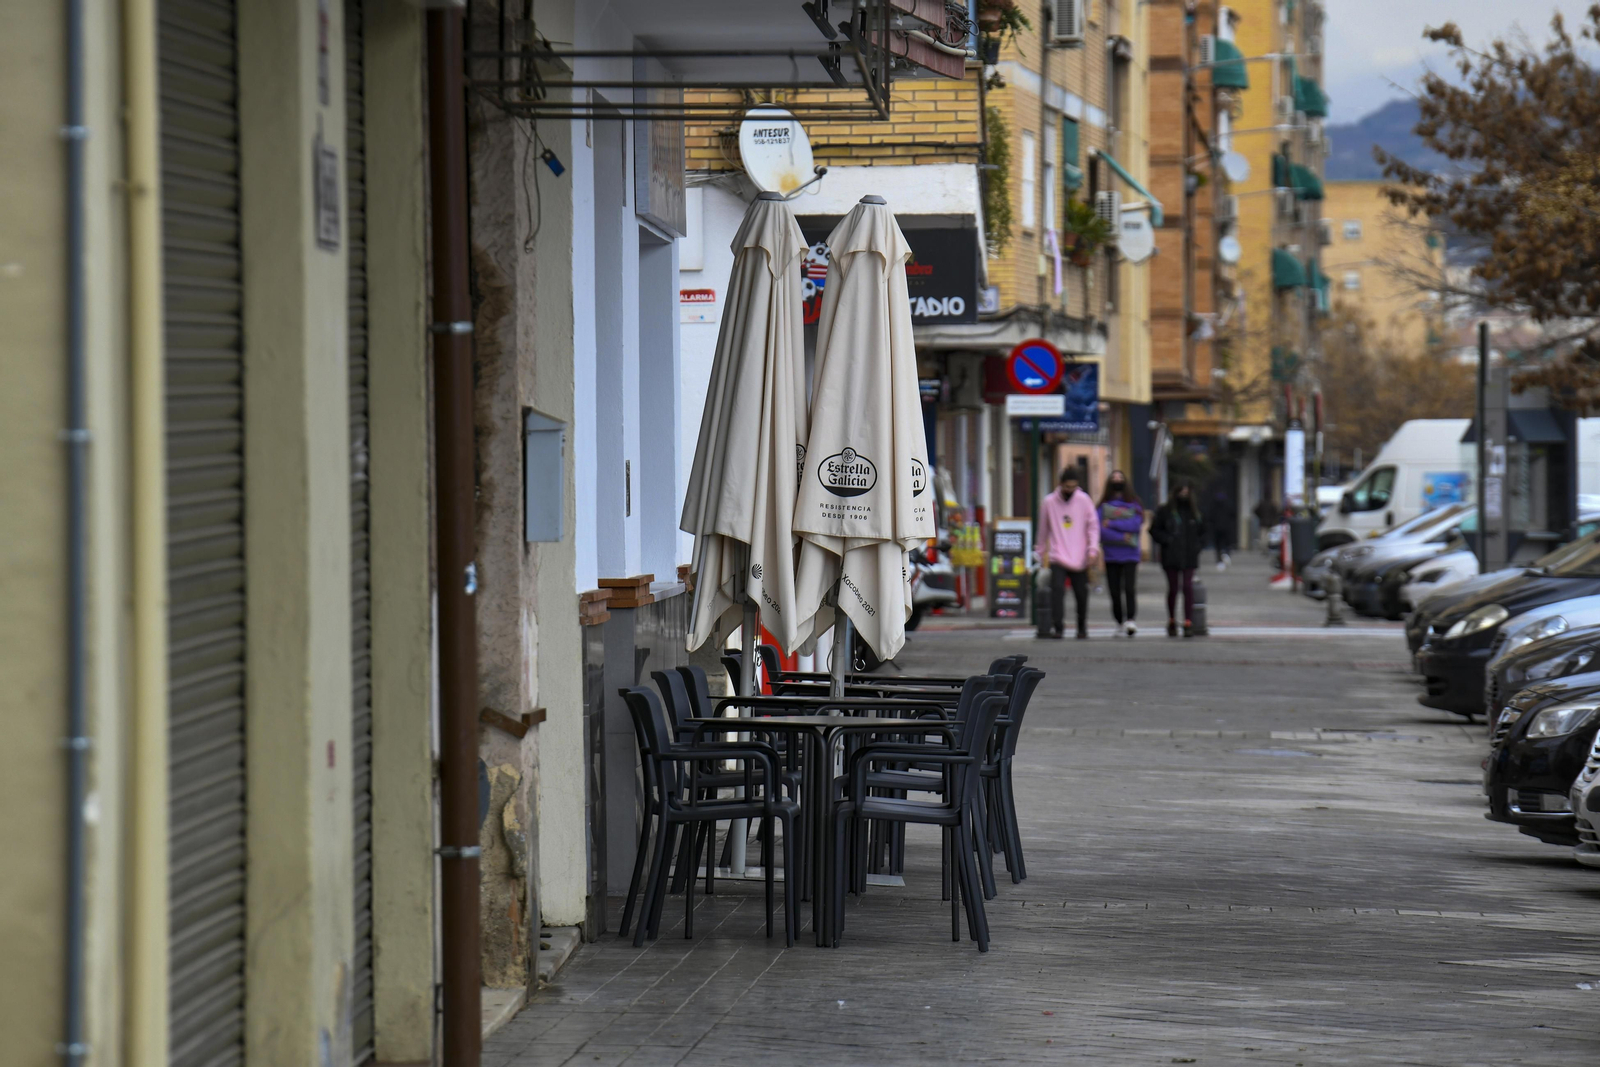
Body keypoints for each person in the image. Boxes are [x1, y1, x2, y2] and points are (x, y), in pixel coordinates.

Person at [1036, 468, 1100, 639]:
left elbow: (1093, 527)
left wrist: (1092, 549)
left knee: (1081, 593)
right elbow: (1043, 530)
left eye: (1073, 487)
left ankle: (1081, 626)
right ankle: (1058, 627)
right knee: (1057, 591)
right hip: (1058, 554)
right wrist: (1040, 553)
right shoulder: (1049, 502)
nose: (1070, 490)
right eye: (1067, 487)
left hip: (1080, 556)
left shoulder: (1084, 500)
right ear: (1061, 484)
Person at [1151, 483, 1207, 637]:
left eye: (1186, 491)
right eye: (1181, 491)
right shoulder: (1165, 511)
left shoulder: (1195, 513)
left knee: (1187, 587)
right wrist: (1167, 540)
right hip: (1171, 555)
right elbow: (1154, 530)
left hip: (1189, 555)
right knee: (1173, 588)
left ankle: (1188, 621)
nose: (1184, 494)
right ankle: (1171, 620)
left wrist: (1198, 546)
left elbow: (1204, 531)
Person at [1097, 470, 1144, 637]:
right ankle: (1118, 621)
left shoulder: (1134, 504)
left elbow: (1135, 526)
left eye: (1120, 478)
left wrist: (1113, 524)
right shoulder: (1102, 506)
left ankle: (1131, 619)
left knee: (1130, 588)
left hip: (1130, 554)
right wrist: (1123, 535)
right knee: (1114, 590)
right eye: (1114, 478)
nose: (1117, 480)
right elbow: (1100, 531)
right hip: (1111, 555)